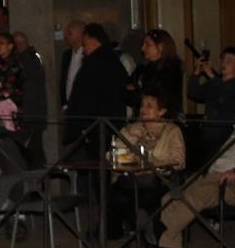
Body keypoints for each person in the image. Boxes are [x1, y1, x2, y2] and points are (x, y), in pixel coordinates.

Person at [105, 89, 185, 241]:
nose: (143, 109)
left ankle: (143, 224)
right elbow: (112, 155)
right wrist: (132, 136)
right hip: (130, 179)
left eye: (149, 106)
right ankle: (149, 226)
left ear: (161, 111)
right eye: (142, 105)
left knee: (145, 192)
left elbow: (179, 160)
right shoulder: (132, 128)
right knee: (117, 192)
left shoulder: (172, 130)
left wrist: (150, 166)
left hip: (159, 178)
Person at [153, 127, 235, 248]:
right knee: (170, 198)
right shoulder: (229, 130)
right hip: (212, 176)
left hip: (230, 184)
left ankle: (161, 231)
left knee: (198, 196)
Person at [63, 23, 129, 153]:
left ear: (92, 40)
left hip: (96, 126)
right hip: (108, 124)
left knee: (96, 162)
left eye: (85, 43)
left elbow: (85, 95)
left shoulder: (94, 63)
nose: (83, 48)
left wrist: (81, 124)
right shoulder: (113, 61)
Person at [188, 46, 235, 158]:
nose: (224, 63)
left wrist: (212, 77)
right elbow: (193, 93)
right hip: (207, 136)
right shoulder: (214, 83)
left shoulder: (224, 84)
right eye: (223, 59)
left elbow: (226, 95)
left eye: (229, 61)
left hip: (225, 139)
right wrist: (196, 72)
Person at [125, 29, 183, 117]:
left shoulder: (171, 70)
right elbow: (125, 94)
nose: (142, 48)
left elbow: (158, 96)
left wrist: (137, 89)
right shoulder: (143, 68)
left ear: (160, 47)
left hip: (165, 121)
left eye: (147, 45)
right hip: (142, 118)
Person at [13, 31, 49, 167]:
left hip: (30, 114)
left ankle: (37, 180)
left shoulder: (27, 61)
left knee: (33, 150)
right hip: (34, 113)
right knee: (34, 148)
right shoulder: (32, 58)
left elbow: (29, 89)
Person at [59, 20, 86, 110]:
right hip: (69, 105)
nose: (66, 36)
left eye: (70, 33)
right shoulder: (66, 55)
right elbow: (64, 80)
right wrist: (64, 103)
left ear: (80, 35)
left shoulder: (89, 55)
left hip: (84, 105)